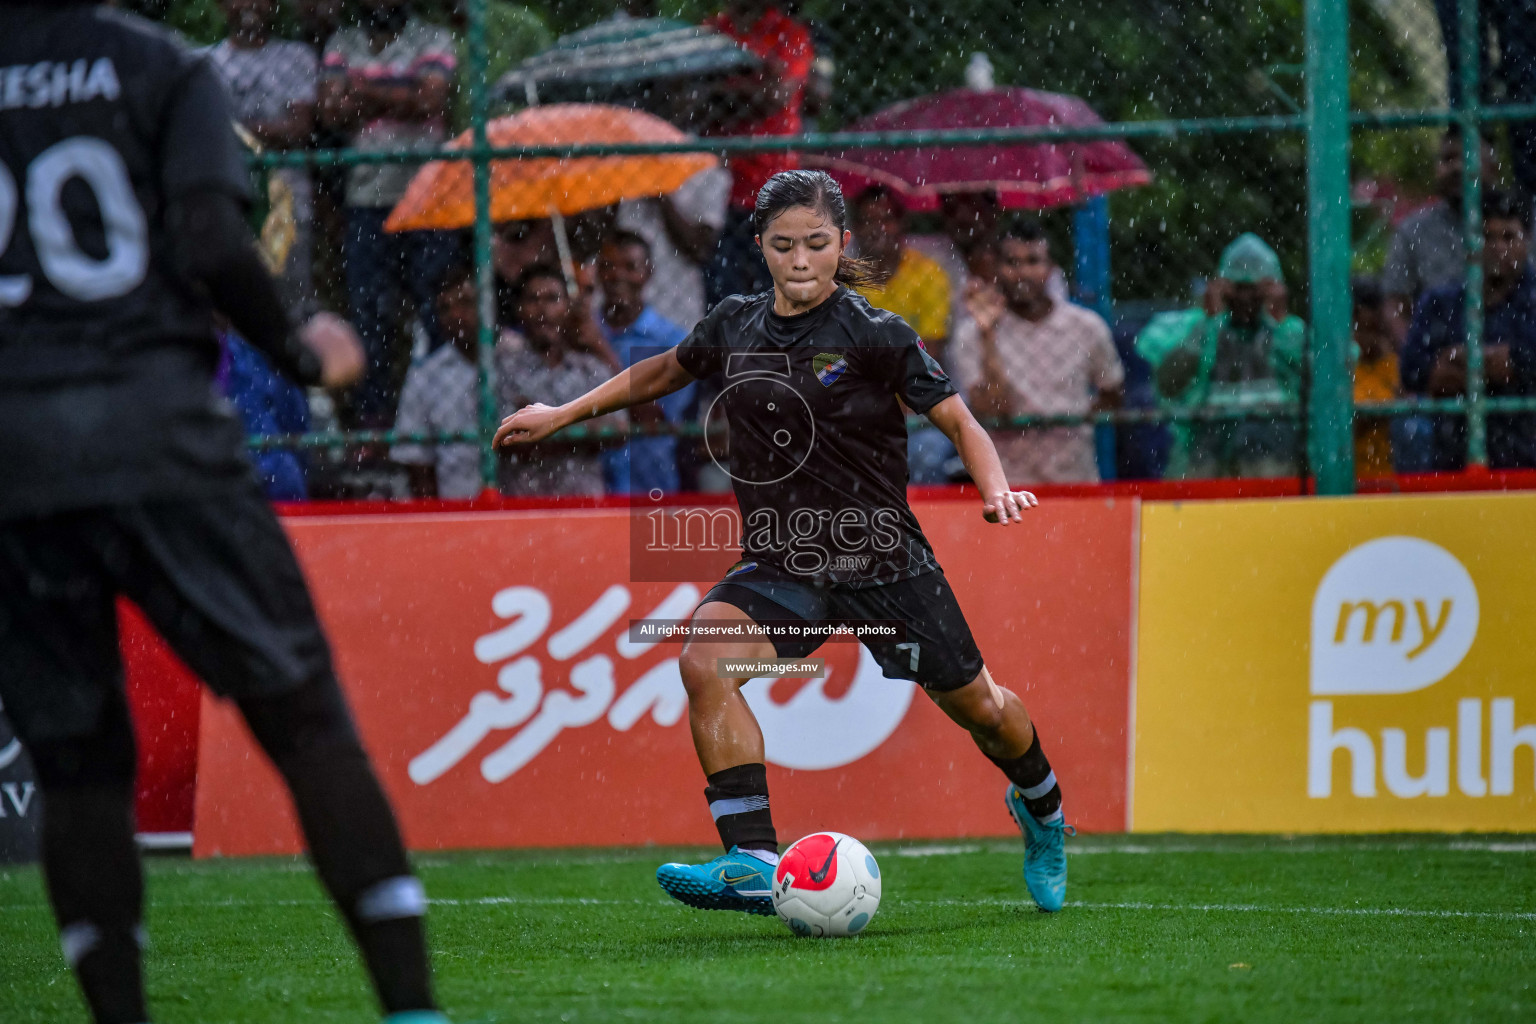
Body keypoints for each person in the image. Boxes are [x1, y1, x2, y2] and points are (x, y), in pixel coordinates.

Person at [0, 4, 445, 1024]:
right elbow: (211, 235)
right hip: (155, 432)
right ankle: (413, 1010)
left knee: (76, 765)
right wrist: (300, 349)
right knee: (305, 717)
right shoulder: (160, 67)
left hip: (15, 461)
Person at [495, 170, 1075, 916]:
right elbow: (665, 370)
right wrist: (560, 412)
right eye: (782, 245)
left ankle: (1042, 808)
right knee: (707, 660)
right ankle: (752, 858)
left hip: (884, 561)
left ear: (840, 245)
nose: (800, 259)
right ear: (762, 249)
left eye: (816, 243)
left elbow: (961, 422)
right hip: (783, 562)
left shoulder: (876, 332)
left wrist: (993, 487)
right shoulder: (735, 323)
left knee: (986, 709)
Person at [319, 0, 460, 427]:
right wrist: (400, 93)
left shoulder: (434, 37)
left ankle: (445, 418)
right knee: (370, 318)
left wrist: (361, 91)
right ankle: (374, 428)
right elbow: (331, 111)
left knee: (437, 313)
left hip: (429, 200)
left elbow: (430, 99)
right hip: (366, 199)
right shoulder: (343, 41)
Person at [950, 221, 1124, 484]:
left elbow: (1112, 392)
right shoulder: (971, 334)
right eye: (1012, 262)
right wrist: (988, 335)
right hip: (1007, 487)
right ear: (996, 268)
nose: (1023, 273)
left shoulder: (1086, 327)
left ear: (1051, 268)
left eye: (1033, 261)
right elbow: (993, 410)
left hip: (1074, 480)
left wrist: (1072, 420)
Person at [1135, 233, 1307, 479]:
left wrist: (1277, 322)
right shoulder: (1197, 328)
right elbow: (1168, 384)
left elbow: (1324, 382)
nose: (1246, 299)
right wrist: (1210, 324)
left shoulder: (1290, 332)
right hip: (1208, 457)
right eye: (1238, 289)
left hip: (1276, 457)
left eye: (1254, 291)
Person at [1402, 189, 1536, 470]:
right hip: (1453, 461)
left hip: (1526, 459)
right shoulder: (1440, 302)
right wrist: (1498, 365)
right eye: (1487, 237)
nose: (1497, 248)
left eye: (1508, 237)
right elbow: (1414, 371)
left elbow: (1523, 365)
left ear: (1526, 241)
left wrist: (1463, 361)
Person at [207, 0, 320, 321]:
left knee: (290, 303)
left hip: (287, 202)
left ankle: (292, 367)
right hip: (227, 198)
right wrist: (265, 131)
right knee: (226, 303)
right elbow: (200, 133)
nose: (248, 4)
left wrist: (232, 129)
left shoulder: (296, 58)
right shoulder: (204, 63)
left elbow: (298, 128)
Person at [699, 0, 814, 305]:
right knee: (723, 302)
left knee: (779, 298)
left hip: (775, 187)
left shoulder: (788, 34)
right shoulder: (710, 31)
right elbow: (693, 99)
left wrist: (721, 95)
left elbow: (777, 97)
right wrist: (756, 85)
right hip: (720, 188)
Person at [499, 265, 625, 496]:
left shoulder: (590, 368)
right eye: (533, 299)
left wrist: (543, 427)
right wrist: (586, 425)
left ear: (568, 307)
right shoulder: (502, 368)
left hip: (584, 502)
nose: (542, 309)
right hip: (524, 505)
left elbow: (619, 431)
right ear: (519, 309)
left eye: (552, 299)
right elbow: (509, 440)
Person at [596, 231, 695, 495]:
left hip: (649, 481)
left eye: (630, 267)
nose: (617, 276)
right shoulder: (578, 331)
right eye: (608, 267)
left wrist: (600, 350)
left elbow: (653, 418)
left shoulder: (671, 342)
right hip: (590, 484)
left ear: (648, 273)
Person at [1382, 129, 1499, 344]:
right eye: (1448, 159)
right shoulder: (1413, 230)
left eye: (1467, 157)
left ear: (1492, 168)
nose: (1456, 167)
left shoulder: (1523, 224)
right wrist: (1420, 362)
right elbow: (1395, 304)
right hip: (1440, 357)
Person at [391, 264, 494, 499]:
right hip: (456, 506)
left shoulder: (515, 359)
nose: (456, 315)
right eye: (445, 308)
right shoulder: (425, 377)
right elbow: (416, 463)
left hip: (523, 504)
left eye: (466, 302)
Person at [614, 166, 731, 333]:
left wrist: (660, 193)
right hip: (626, 300)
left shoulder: (706, 170)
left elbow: (699, 248)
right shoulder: (625, 162)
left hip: (676, 298)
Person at [851, 185, 951, 361]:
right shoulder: (842, 280)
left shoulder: (927, 274)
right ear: (856, 228)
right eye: (868, 220)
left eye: (886, 219)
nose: (877, 228)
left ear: (902, 224)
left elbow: (931, 351)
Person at [1350, 278, 1400, 479]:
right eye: (1363, 330)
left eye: (1376, 331)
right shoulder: (1337, 372)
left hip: (1390, 480)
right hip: (1348, 480)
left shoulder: (1394, 366)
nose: (1371, 339)